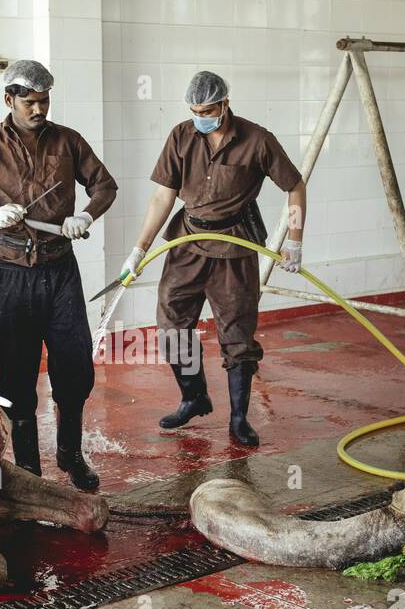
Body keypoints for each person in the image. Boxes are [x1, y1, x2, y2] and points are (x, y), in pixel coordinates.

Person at [0, 60, 118, 491]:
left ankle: (70, 454)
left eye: (44, 101)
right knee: (14, 373)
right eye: (29, 102)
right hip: (8, 273)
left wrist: (85, 213)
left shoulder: (67, 141)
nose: (39, 109)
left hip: (60, 270)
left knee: (74, 365)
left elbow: (105, 186)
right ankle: (28, 467)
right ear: (8, 100)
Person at [124, 70, 307, 447]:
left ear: (225, 104)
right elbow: (163, 196)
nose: (200, 118)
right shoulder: (181, 135)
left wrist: (296, 240)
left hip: (235, 248)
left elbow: (295, 185)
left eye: (207, 110)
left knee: (237, 332)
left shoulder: (257, 140)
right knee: (172, 323)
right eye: (194, 111)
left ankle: (239, 419)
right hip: (187, 243)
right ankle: (194, 397)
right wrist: (139, 249)